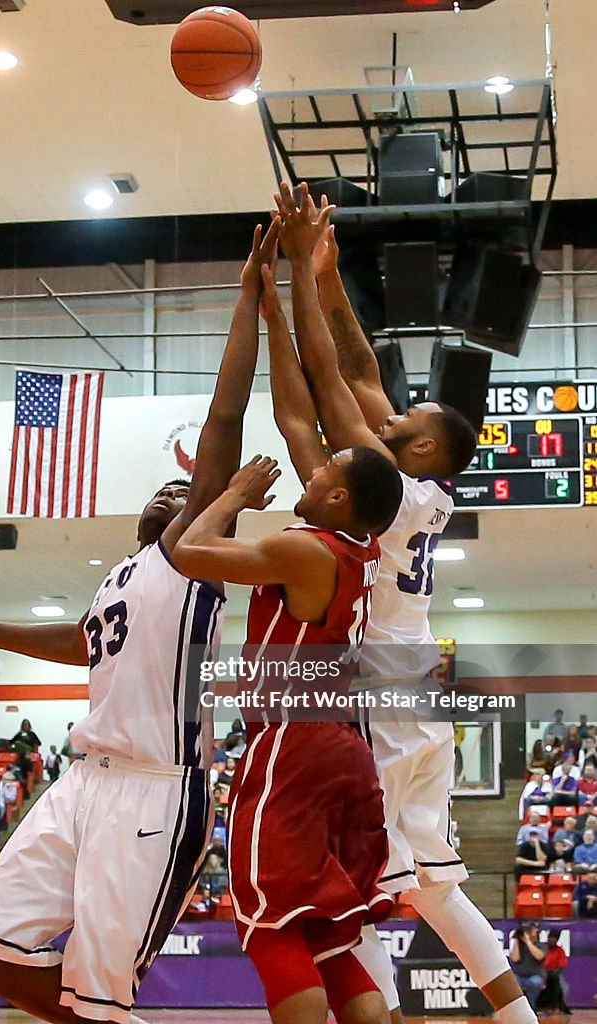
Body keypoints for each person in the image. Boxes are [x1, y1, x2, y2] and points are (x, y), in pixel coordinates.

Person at [0, 220, 279, 1024]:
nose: (169, 495)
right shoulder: (122, 574)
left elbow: (221, 420)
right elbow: (80, 644)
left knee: (101, 987)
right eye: (165, 491)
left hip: (153, 792)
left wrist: (247, 298)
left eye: (186, 495)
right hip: (84, 783)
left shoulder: (189, 559)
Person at [272, 181, 532, 1024]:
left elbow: (329, 377)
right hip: (415, 675)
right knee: (430, 881)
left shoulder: (388, 490)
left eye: (405, 412)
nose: (391, 403)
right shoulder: (424, 488)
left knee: (362, 883)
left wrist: (298, 288)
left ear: (417, 446)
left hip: (384, 680)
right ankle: (517, 1016)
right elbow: (355, 366)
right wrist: (328, 274)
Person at [174, 248, 403, 1024]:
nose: (309, 470)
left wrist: (232, 494)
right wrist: (274, 313)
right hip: (343, 747)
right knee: (327, 933)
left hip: (293, 742)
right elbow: (297, 414)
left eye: (322, 470)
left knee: (266, 919)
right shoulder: (358, 543)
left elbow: (188, 550)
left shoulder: (303, 547)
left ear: (337, 493)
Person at [509, 924, 545, 1011]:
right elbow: (515, 958)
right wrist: (518, 940)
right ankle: (515, 1009)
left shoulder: (541, 945)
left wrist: (528, 942)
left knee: (535, 982)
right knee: (511, 983)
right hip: (519, 975)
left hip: (534, 975)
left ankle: (530, 1008)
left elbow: (539, 956)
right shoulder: (519, 946)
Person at [539, 931, 570, 1014]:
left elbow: (562, 965)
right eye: (550, 938)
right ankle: (542, 1006)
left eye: (554, 938)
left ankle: (557, 1006)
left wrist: (554, 973)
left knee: (564, 987)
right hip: (541, 972)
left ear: (557, 940)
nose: (551, 940)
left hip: (554, 973)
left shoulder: (560, 950)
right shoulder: (542, 947)